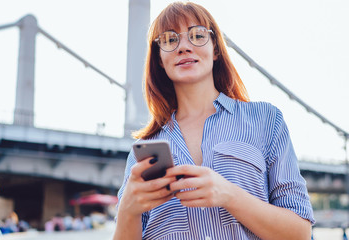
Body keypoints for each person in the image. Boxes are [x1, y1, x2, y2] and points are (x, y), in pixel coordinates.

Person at [113, 2, 315, 240]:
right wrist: (128, 208)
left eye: (197, 35)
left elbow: (300, 233)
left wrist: (229, 194)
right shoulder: (144, 150)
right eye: (169, 40)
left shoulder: (266, 120)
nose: (184, 47)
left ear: (216, 49)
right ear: (158, 58)